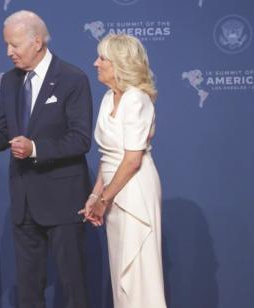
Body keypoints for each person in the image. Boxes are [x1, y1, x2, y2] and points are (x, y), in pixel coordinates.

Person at [0, 10, 93, 308]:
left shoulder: (73, 79)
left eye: (14, 45)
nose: (9, 52)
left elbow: (81, 139)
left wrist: (35, 149)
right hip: (24, 202)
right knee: (28, 290)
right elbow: (2, 132)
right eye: (6, 45)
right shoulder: (10, 81)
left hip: (63, 201)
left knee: (74, 286)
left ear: (37, 42)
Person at [81, 33, 167, 308]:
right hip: (114, 191)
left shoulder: (136, 99)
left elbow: (131, 160)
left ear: (119, 63)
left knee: (139, 269)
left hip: (135, 190)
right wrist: (96, 196)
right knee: (121, 271)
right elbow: (108, 156)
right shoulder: (108, 98)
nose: (95, 63)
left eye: (102, 58)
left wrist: (104, 199)